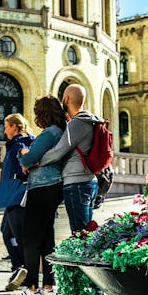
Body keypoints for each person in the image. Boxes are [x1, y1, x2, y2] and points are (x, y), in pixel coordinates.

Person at [11, 96, 67, 295]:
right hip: (53, 187)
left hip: (41, 187)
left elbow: (27, 159)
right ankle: (49, 287)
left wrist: (25, 152)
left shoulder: (49, 133)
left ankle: (32, 289)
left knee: (30, 239)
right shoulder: (61, 132)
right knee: (46, 239)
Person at [40, 84, 103, 233]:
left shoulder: (78, 123)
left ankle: (84, 257)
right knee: (87, 232)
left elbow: (58, 152)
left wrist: (37, 161)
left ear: (66, 99)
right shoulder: (90, 121)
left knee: (79, 233)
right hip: (89, 180)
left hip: (77, 183)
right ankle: (90, 255)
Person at [0, 113, 34, 291]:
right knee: (7, 232)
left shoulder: (19, 142)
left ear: (14, 126)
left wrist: (25, 164)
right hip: (13, 196)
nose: (4, 131)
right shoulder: (27, 139)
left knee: (19, 237)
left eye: (6, 127)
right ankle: (19, 267)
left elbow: (25, 154)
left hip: (18, 196)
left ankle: (25, 273)